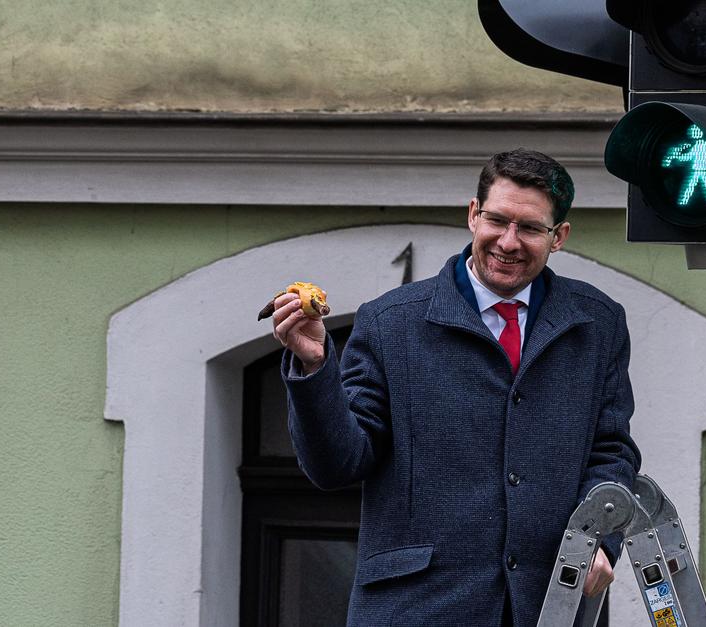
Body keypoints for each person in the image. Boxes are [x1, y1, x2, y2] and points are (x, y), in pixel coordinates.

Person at [270, 148, 642, 626]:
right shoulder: (390, 323)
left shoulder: (599, 323)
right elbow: (338, 464)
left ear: (559, 237)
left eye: (529, 228)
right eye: (497, 220)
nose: (509, 242)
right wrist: (315, 365)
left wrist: (598, 537)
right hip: (416, 608)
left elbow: (611, 451)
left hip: (549, 605)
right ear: (472, 215)